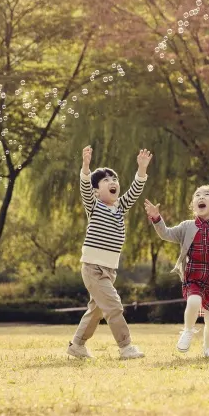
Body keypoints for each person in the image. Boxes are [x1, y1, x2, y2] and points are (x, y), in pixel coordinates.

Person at [67, 145, 152, 360]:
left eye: (114, 179)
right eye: (106, 180)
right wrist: (86, 167)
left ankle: (77, 345)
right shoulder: (94, 206)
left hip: (109, 269)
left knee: (96, 310)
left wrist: (141, 169)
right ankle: (126, 347)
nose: (112, 182)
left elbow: (135, 189)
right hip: (93, 268)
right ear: (97, 191)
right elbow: (85, 187)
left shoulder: (120, 208)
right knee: (113, 306)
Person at [144, 186, 209, 358]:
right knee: (193, 302)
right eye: (197, 195)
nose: (201, 197)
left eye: (206, 195)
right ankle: (188, 330)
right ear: (193, 205)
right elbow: (166, 234)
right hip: (194, 276)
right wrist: (156, 218)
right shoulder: (187, 227)